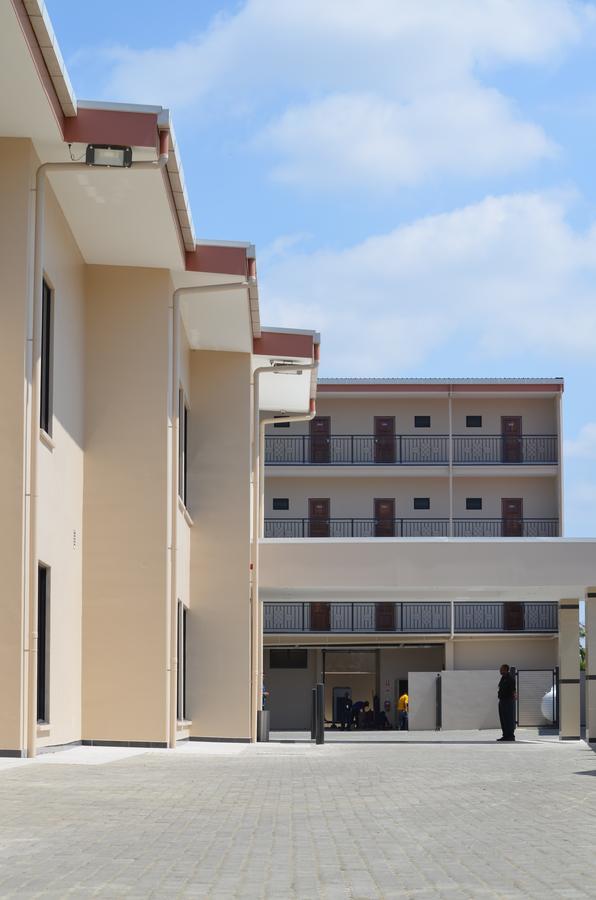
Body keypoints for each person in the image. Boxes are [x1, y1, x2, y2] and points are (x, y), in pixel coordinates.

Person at [497, 663, 516, 742]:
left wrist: (513, 697)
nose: (500, 670)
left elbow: (513, 690)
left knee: (509, 719)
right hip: (502, 701)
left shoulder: (510, 678)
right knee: (503, 719)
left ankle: (510, 736)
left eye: (501, 669)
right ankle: (505, 735)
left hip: (508, 701)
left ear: (505, 669)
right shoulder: (503, 678)